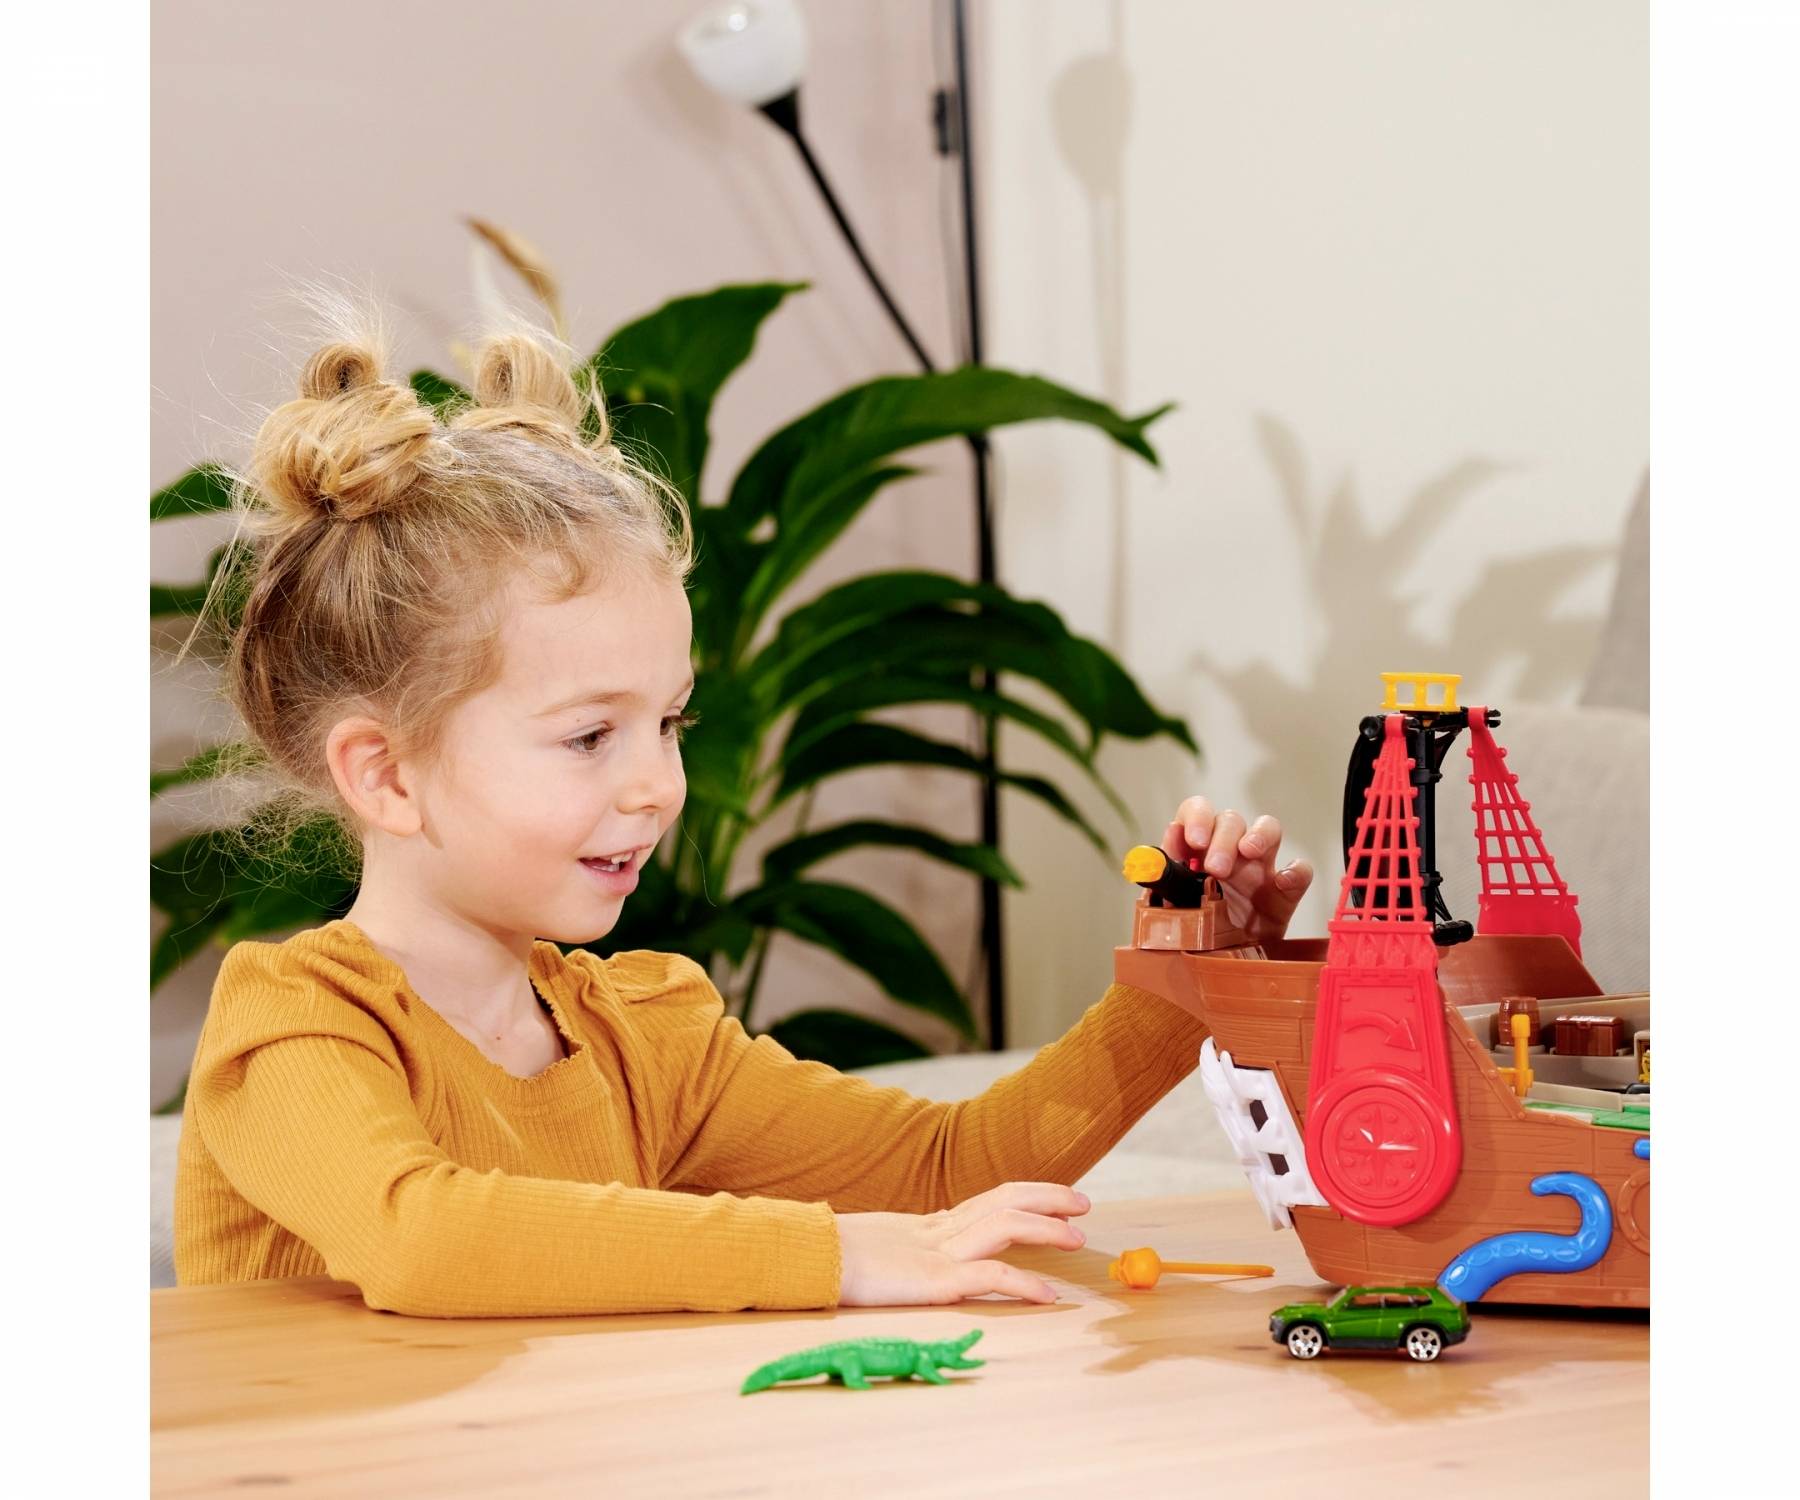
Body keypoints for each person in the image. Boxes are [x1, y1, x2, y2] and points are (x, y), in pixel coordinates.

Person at [171, 308, 1313, 1317]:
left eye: (670, 722)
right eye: (588, 736)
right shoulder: (293, 1028)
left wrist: (1185, 976)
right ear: (387, 775)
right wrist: (827, 1254)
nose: (657, 784)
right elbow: (423, 1238)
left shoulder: (645, 1036)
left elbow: (948, 1169)